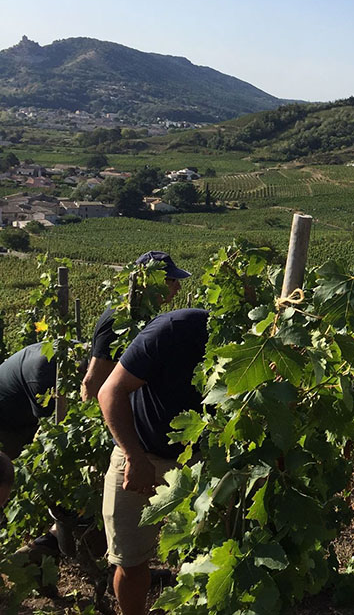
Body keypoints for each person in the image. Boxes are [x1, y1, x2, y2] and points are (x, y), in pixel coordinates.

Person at [97, 307, 208, 615]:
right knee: (130, 561)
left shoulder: (261, 339)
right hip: (140, 453)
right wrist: (133, 456)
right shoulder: (175, 329)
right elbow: (109, 392)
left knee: (210, 554)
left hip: (199, 460)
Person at [82, 251, 190, 401]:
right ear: (151, 282)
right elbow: (91, 382)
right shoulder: (121, 320)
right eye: (173, 280)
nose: (178, 287)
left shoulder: (139, 315)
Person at [0, 343, 57, 458]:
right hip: (7, 423)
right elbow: (48, 431)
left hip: (20, 408)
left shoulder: (73, 354)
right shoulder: (43, 375)